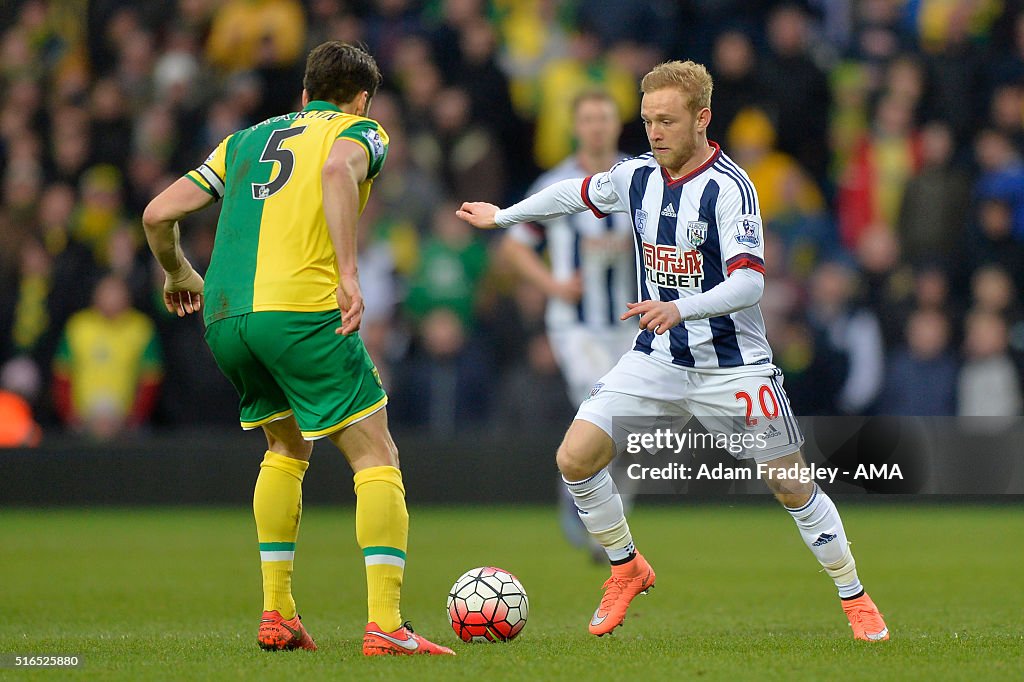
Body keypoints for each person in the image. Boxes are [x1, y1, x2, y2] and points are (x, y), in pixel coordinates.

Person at [457, 60, 889, 642]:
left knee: (791, 485)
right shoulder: (637, 176)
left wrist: (680, 308)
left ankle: (855, 598)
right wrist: (504, 214)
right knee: (575, 458)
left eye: (666, 121)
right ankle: (625, 566)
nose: (654, 132)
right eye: (647, 121)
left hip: (733, 366)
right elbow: (573, 193)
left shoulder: (731, 188)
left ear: (702, 119)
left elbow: (750, 283)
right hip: (658, 356)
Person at [142, 41, 453, 657]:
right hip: (299, 311)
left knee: (285, 445)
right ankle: (386, 624)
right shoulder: (364, 130)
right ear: (362, 99)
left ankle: (277, 613)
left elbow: (157, 213)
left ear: (305, 94)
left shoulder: (244, 140)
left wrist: (179, 273)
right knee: (375, 452)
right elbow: (337, 170)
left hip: (227, 317)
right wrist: (348, 273)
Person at [502, 89, 636, 558]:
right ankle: (581, 496)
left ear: (616, 124)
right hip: (575, 326)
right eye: (588, 118)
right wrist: (554, 287)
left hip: (632, 325)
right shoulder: (556, 182)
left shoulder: (638, 178)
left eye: (605, 117)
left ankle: (604, 515)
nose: (597, 127)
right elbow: (515, 246)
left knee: (632, 424)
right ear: (576, 126)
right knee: (600, 404)